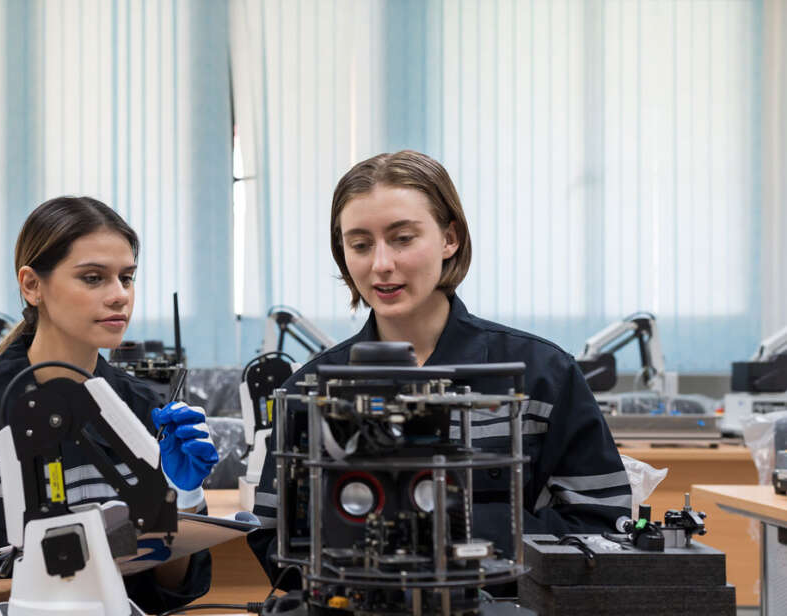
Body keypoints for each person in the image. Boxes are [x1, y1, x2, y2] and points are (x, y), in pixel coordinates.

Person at [247, 150, 631, 586]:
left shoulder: (543, 376)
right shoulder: (313, 388)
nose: (381, 264)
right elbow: (274, 537)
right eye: (359, 244)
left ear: (450, 238)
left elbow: (603, 528)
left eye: (403, 238)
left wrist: (460, 534)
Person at [0, 196, 217, 616]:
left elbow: (173, 586)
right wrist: (58, 585)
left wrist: (183, 498)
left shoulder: (146, 409)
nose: (119, 296)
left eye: (127, 278)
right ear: (32, 285)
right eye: (93, 278)